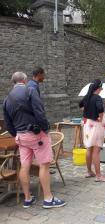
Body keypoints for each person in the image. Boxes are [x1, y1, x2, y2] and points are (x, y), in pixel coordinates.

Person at [3, 72, 66, 209]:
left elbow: (8, 123)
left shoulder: (7, 99)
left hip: (21, 137)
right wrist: (45, 129)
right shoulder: (30, 90)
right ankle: (48, 199)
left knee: (24, 166)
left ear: (14, 82)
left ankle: (27, 198)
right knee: (44, 165)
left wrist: (17, 134)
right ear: (25, 81)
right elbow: (39, 112)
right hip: (36, 135)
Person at [79, 79, 105, 182]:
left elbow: (80, 105)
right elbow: (100, 109)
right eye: (101, 88)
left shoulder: (87, 97)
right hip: (96, 126)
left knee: (89, 149)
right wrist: (100, 118)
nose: (101, 90)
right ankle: (98, 175)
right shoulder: (97, 98)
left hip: (87, 125)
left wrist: (87, 111)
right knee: (96, 151)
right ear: (99, 88)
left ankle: (89, 171)